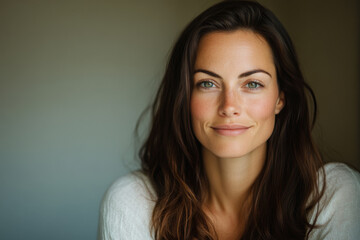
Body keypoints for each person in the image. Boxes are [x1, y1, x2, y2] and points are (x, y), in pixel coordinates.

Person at [98, 1, 360, 239]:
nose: (229, 106)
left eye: (253, 84)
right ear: (184, 98)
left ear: (281, 98)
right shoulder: (134, 202)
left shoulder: (333, 196)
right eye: (208, 83)